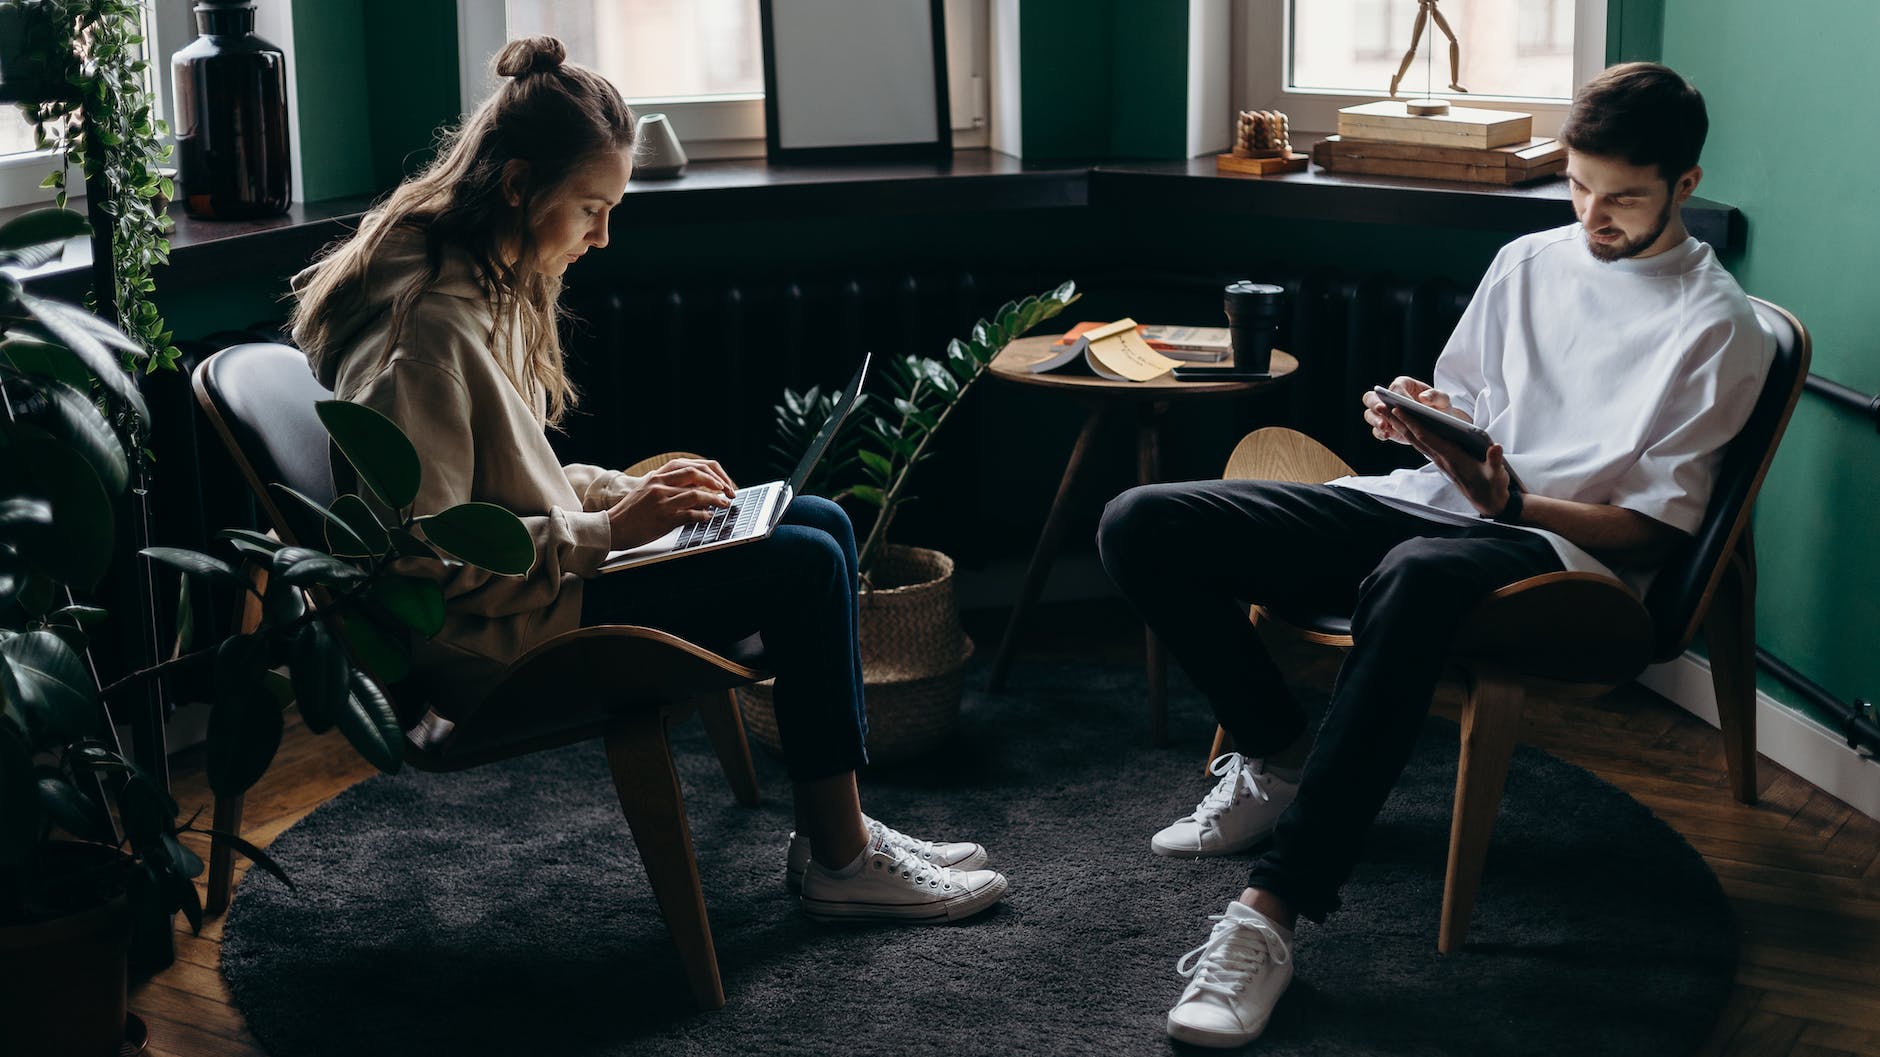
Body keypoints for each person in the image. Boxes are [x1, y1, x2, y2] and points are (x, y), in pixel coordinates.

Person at [1097, 62, 1772, 1048]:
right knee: (1139, 521)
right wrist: (1424, 420)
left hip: (1556, 560)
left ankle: (1270, 915)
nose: (1592, 215)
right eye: (1579, 186)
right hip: (1433, 508)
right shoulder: (1527, 261)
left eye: (1622, 196)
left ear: (1684, 182)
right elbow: (1474, 407)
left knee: (1408, 576)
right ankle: (1276, 747)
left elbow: (1653, 532)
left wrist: (1515, 500)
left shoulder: (1717, 327)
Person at [287, 36, 1007, 924]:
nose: (603, 234)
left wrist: (624, 492)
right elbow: (425, 567)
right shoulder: (424, 335)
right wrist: (609, 533)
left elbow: (513, 481)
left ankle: (839, 827)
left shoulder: (475, 282)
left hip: (542, 588)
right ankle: (841, 855)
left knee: (818, 520)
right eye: (591, 207)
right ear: (516, 185)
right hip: (502, 638)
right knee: (806, 564)